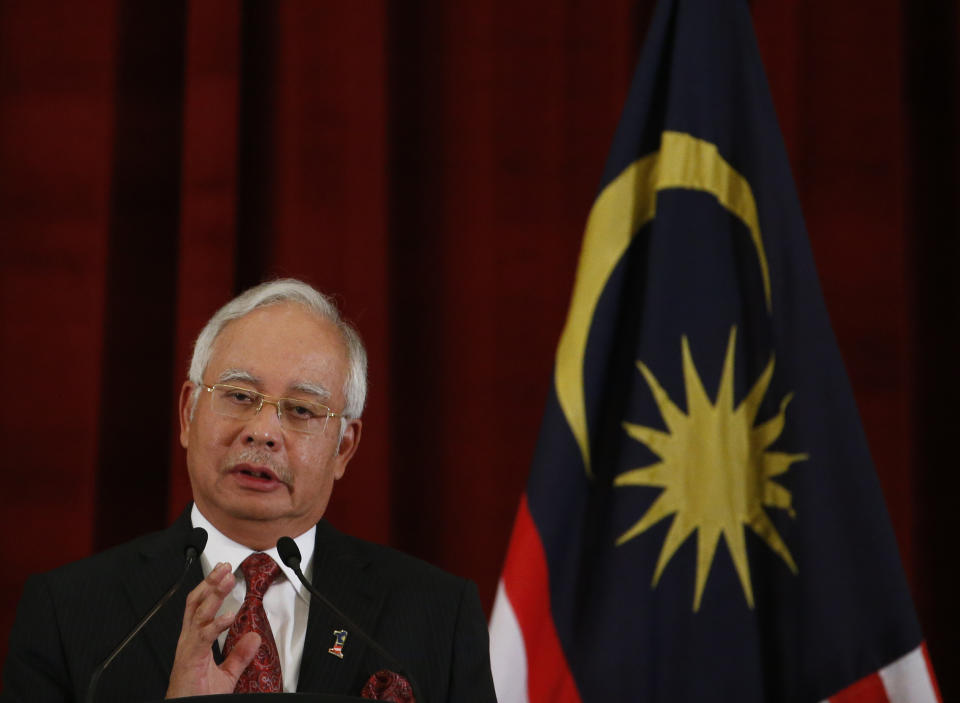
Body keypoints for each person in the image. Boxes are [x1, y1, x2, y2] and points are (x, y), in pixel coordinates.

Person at [1, 279, 496, 702]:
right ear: (188, 414)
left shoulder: (437, 615)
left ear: (344, 448)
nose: (263, 431)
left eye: (301, 410)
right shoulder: (68, 610)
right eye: (240, 396)